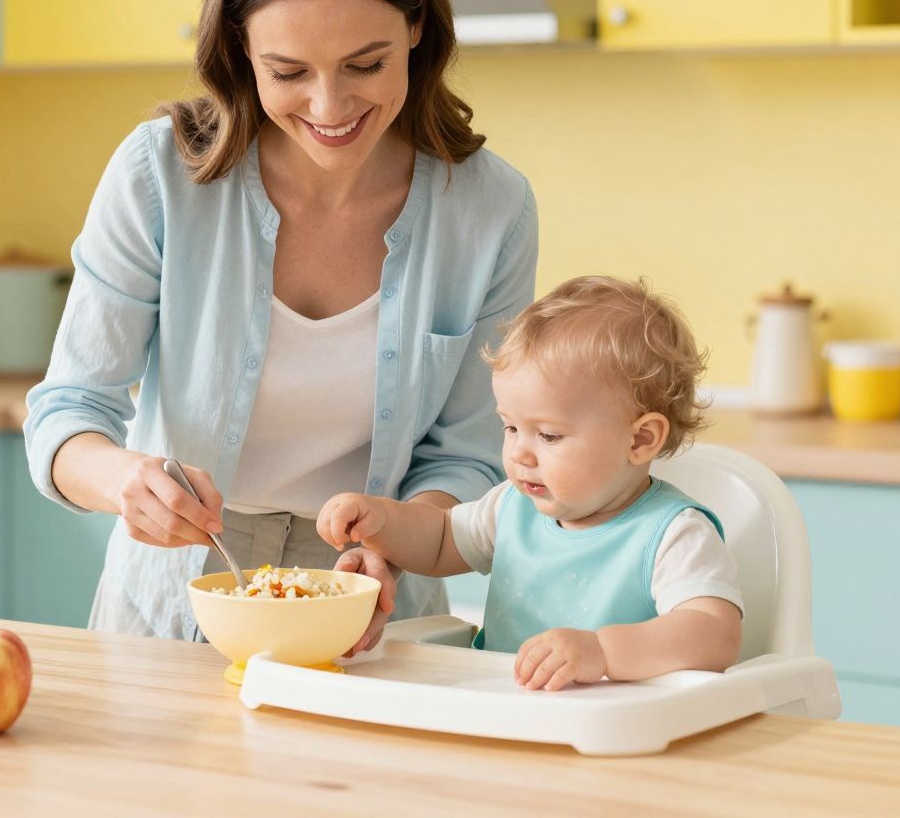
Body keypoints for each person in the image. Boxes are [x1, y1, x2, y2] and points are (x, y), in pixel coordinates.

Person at [23, 0, 538, 651]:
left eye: (365, 64)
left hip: (375, 608)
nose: (330, 108)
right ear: (241, 49)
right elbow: (66, 415)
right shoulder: (162, 175)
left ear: (417, 27)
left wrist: (399, 538)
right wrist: (127, 483)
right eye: (288, 72)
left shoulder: (490, 210)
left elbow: (468, 455)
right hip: (173, 601)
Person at [317, 276, 744, 689]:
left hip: (608, 728)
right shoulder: (511, 506)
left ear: (640, 439)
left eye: (549, 435)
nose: (520, 453)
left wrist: (602, 652)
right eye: (510, 428)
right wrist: (383, 520)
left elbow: (713, 633)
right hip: (504, 715)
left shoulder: (673, 533)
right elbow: (439, 539)